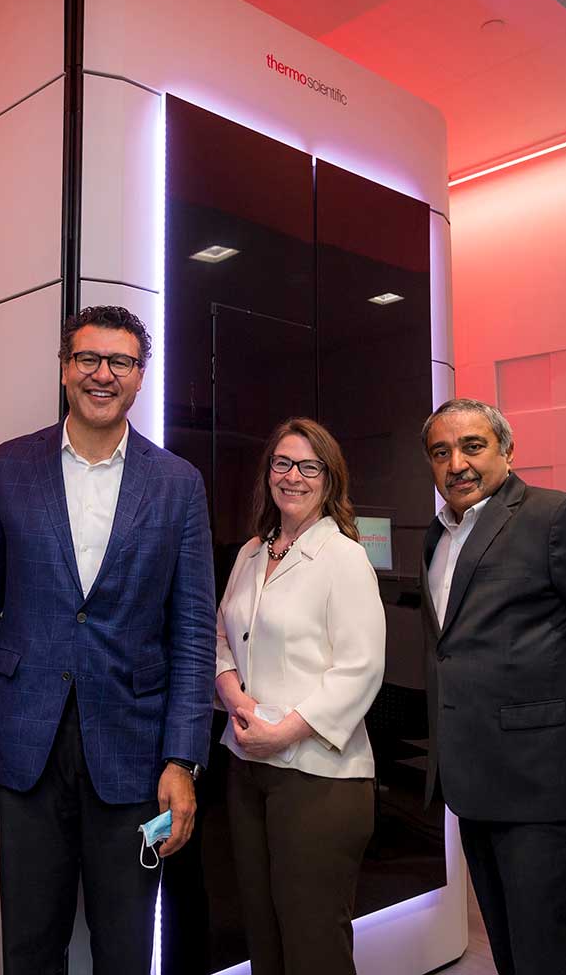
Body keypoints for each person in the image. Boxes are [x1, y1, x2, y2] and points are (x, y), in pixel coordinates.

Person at [0, 305, 217, 974]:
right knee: (30, 943)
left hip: (135, 751)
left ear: (140, 376)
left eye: (120, 362)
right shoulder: (9, 466)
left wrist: (182, 759)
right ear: (65, 367)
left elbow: (192, 631)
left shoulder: (178, 484)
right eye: (88, 359)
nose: (103, 374)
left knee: (127, 946)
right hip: (23, 740)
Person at [419, 397, 566, 975]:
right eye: (440, 452)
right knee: (511, 954)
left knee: (552, 959)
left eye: (472, 446)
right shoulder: (436, 535)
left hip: (548, 787)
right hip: (475, 783)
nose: (457, 463)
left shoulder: (558, 517)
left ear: (506, 450)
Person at [215, 417, 385, 975]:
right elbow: (221, 636)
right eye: (282, 464)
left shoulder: (344, 558)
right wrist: (235, 696)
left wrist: (283, 731)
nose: (293, 476)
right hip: (246, 767)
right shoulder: (249, 554)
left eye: (308, 467)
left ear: (328, 479)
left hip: (319, 776)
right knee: (262, 936)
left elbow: (360, 669)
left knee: (313, 942)